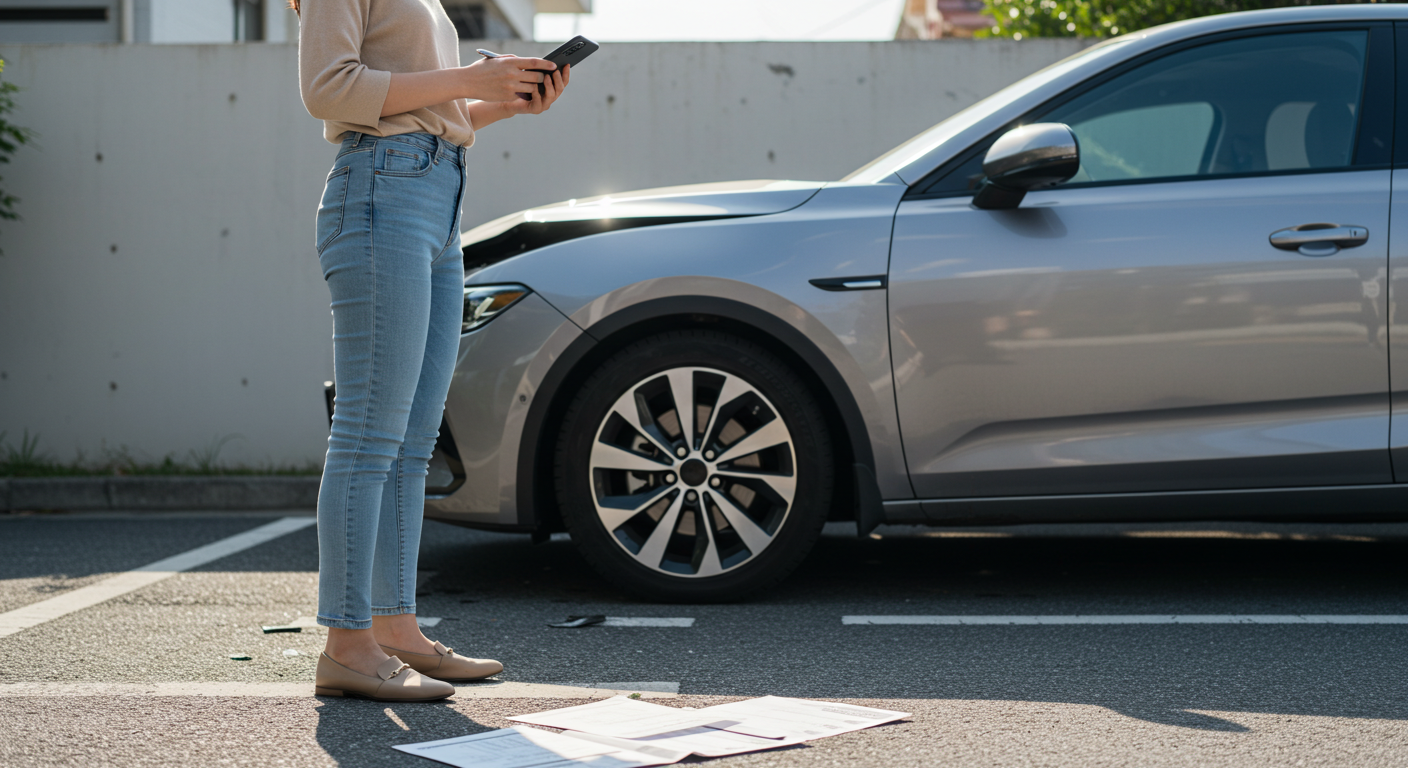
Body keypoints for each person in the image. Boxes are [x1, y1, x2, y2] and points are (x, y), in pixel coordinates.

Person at [293, 0, 570, 702]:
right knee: (367, 431)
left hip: (436, 194)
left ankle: (396, 630)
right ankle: (347, 645)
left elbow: (431, 113)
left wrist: (504, 102)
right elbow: (328, 89)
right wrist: (471, 76)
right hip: (382, 192)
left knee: (412, 440)